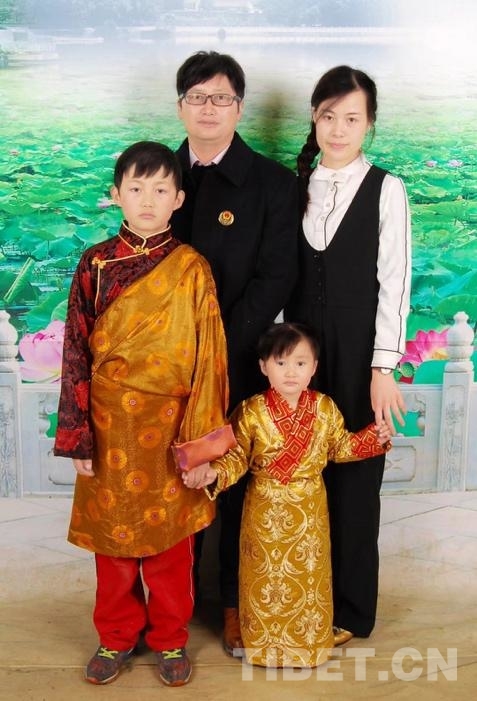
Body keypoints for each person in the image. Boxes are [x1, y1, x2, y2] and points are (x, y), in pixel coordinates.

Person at [53, 141, 235, 687]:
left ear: (179, 198)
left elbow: (209, 360)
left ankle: (170, 638)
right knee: (112, 545)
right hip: (108, 423)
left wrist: (201, 447)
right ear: (116, 195)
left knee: (170, 547)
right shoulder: (95, 263)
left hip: (170, 426)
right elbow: (75, 350)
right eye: (136, 188)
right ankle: (115, 637)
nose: (148, 200)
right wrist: (78, 435)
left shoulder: (192, 269)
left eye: (160, 189)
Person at [172, 50, 299, 655]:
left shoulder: (273, 183)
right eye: (197, 97)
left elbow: (276, 277)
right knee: (172, 479)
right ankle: (169, 609)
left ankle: (233, 604)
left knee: (236, 481)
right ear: (180, 107)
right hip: (168, 364)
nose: (209, 108)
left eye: (220, 97)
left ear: (239, 108)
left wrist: (219, 343)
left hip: (238, 355)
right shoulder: (162, 176)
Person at [285, 65, 412, 645]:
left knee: (357, 482)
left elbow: (395, 282)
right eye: (329, 116)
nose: (338, 130)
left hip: (360, 353)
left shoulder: (387, 188)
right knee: (298, 476)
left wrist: (383, 367)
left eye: (352, 119)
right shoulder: (295, 185)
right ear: (314, 118)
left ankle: (351, 612)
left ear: (370, 125)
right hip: (298, 360)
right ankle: (298, 601)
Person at [181, 322, 392, 668]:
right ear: (264, 366)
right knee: (264, 579)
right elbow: (236, 458)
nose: (290, 372)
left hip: (310, 513)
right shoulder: (250, 411)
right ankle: (262, 645)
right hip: (263, 511)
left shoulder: (324, 408)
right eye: (280, 363)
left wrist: (374, 437)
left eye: (300, 363)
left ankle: (309, 643)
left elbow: (340, 447)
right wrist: (213, 472)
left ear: (314, 367)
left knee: (308, 578)